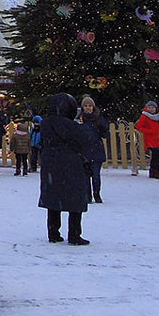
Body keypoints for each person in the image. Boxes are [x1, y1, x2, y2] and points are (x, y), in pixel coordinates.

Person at [38, 93, 96, 245]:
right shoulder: (71, 125)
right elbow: (87, 140)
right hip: (72, 164)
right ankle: (74, 235)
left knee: (53, 199)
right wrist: (83, 126)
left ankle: (53, 233)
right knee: (75, 200)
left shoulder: (46, 123)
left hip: (51, 162)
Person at [78, 95, 109, 202]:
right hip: (84, 150)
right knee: (86, 176)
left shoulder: (99, 118)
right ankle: (87, 196)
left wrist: (102, 129)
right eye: (86, 106)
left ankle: (97, 194)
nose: (88, 107)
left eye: (90, 106)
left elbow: (105, 133)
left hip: (96, 149)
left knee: (96, 175)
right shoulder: (79, 118)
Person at [135, 100, 159, 180]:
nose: (151, 109)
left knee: (157, 156)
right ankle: (155, 172)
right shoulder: (144, 116)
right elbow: (139, 127)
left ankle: (154, 171)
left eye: (153, 107)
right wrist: (150, 131)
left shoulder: (158, 117)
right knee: (156, 156)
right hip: (151, 139)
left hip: (158, 139)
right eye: (149, 107)